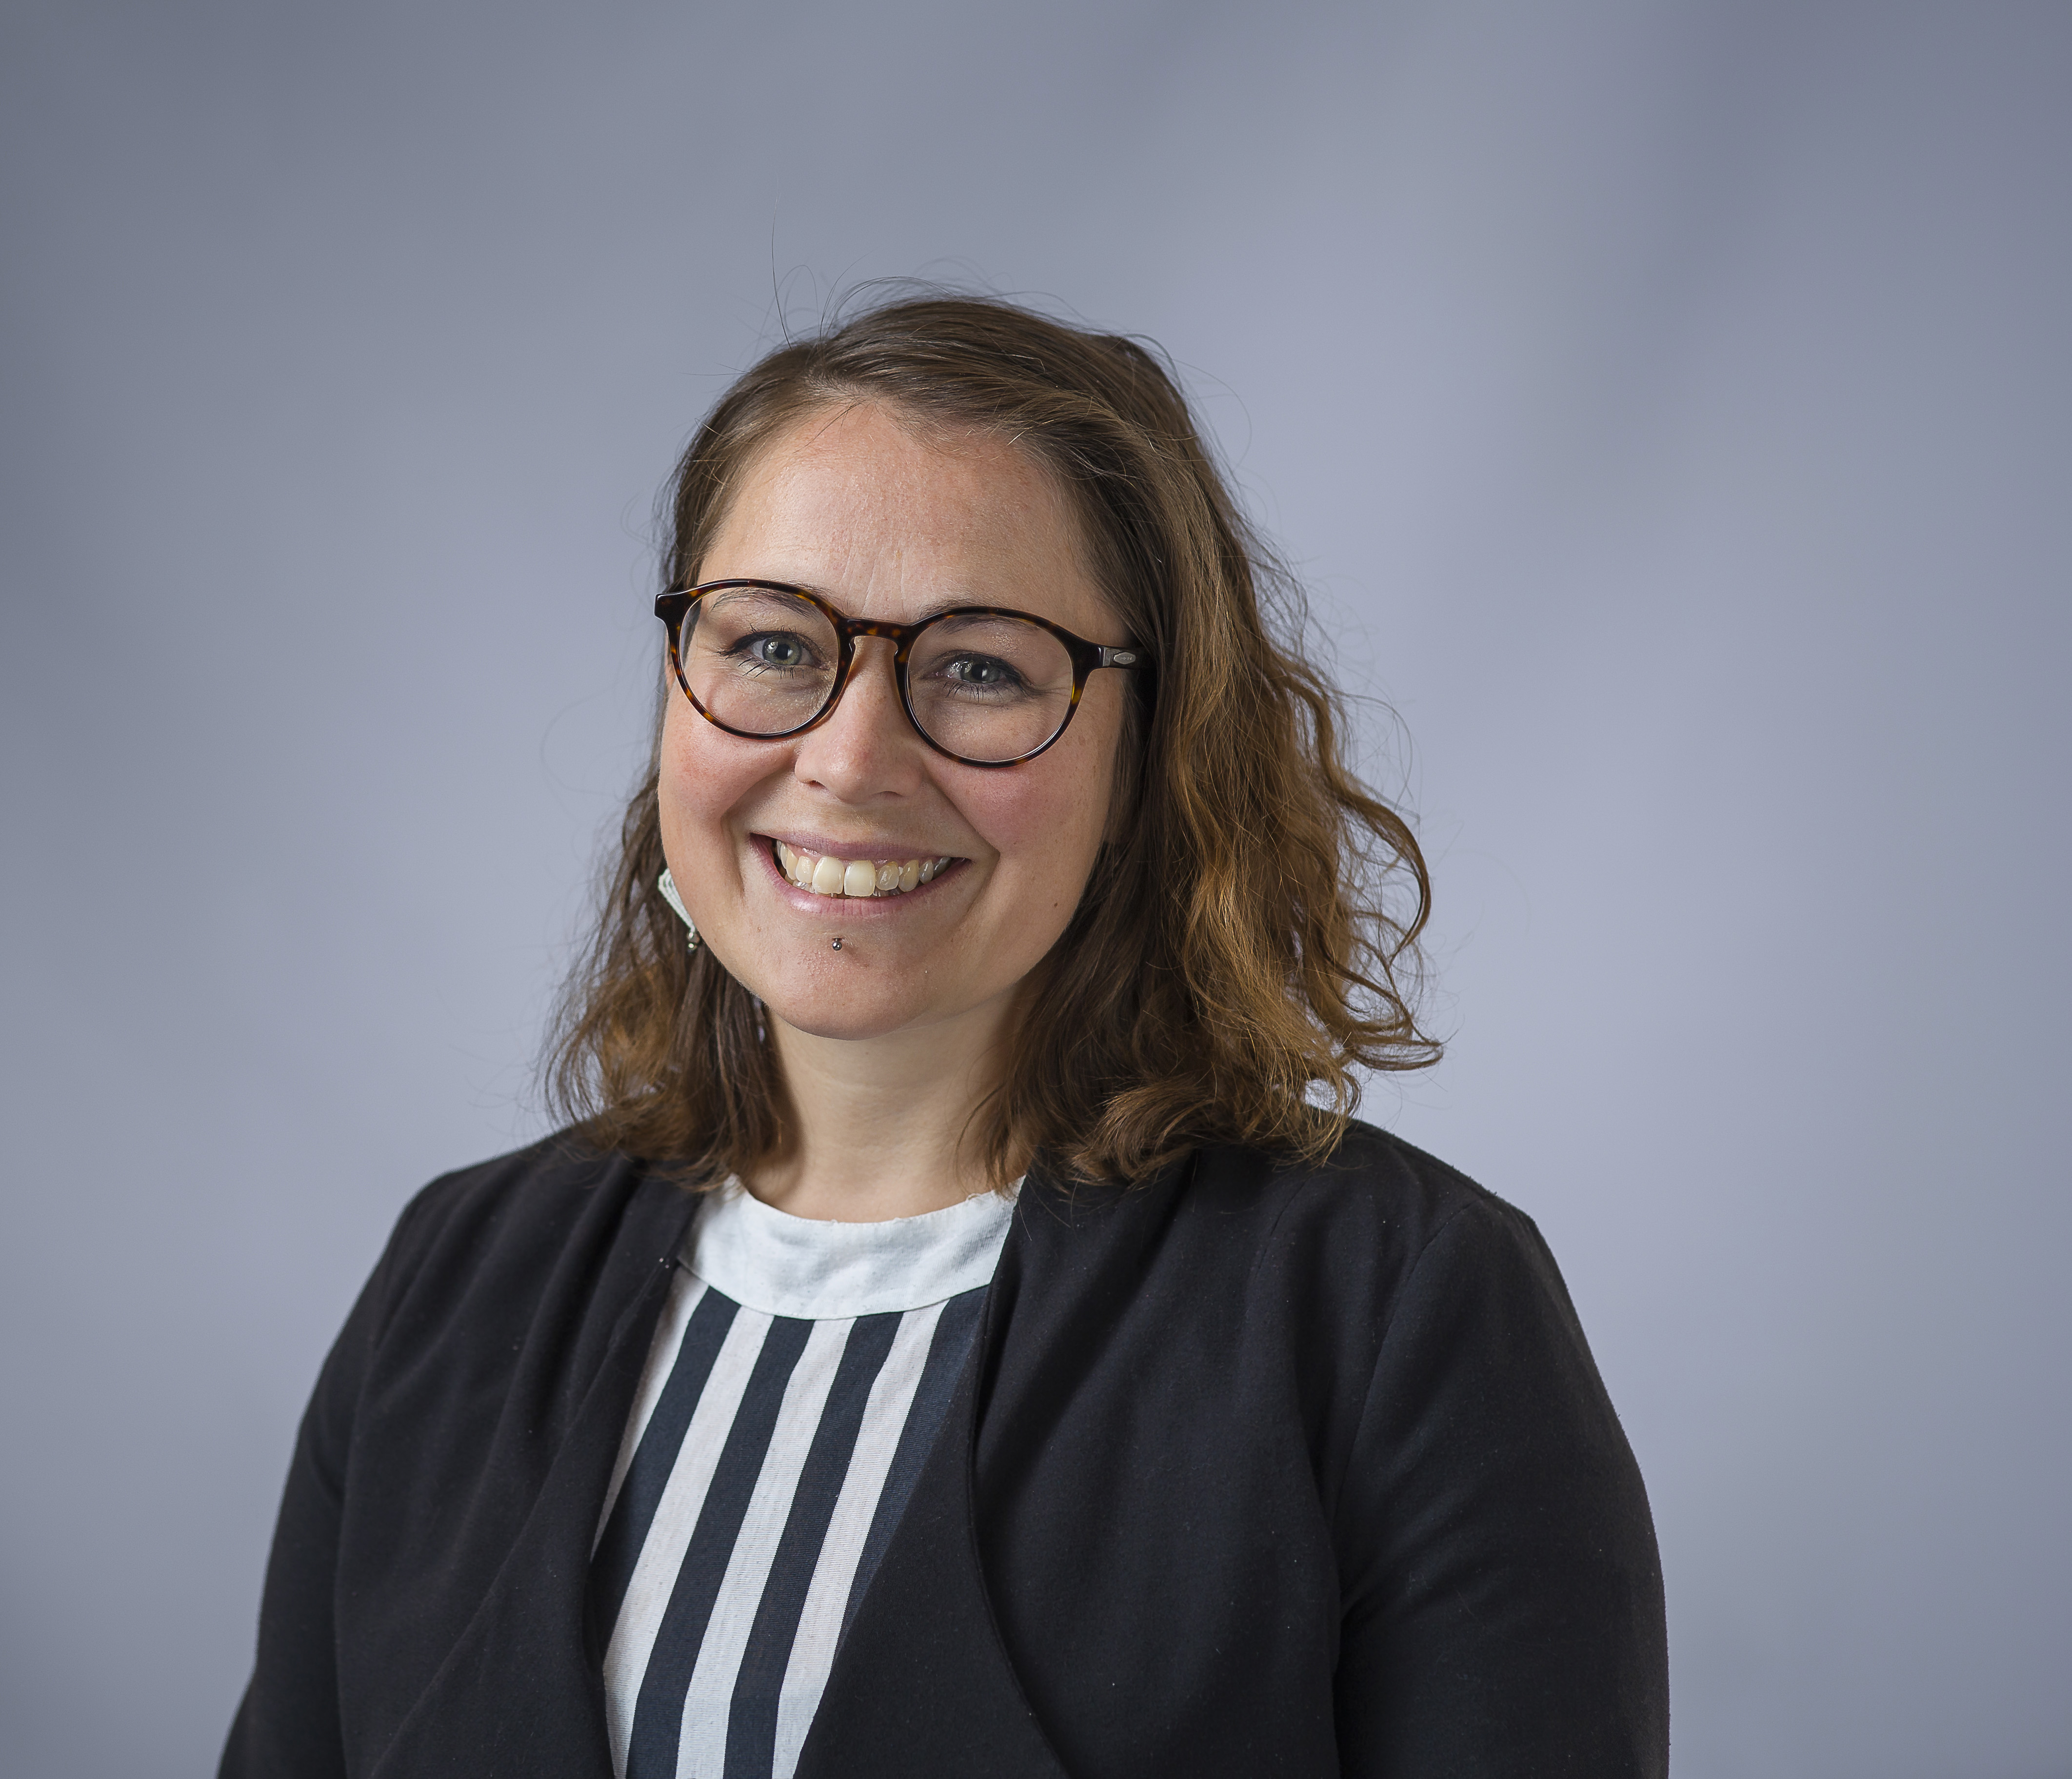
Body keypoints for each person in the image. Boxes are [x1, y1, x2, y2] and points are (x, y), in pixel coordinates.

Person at [219, 293, 1667, 1778]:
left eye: (980, 666)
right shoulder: (454, 1282)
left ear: (1152, 751)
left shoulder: (1397, 1313)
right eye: (773, 643)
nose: (849, 761)